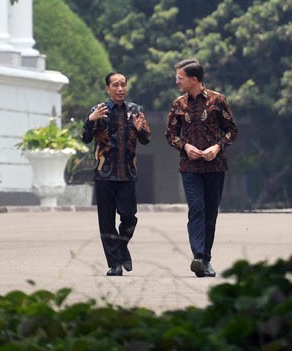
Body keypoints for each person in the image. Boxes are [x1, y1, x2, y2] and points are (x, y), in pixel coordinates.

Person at [165, 59, 238, 277]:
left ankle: (206, 259)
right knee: (196, 208)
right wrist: (185, 146)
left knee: (210, 212)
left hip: (215, 166)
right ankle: (198, 256)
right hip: (189, 167)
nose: (177, 82)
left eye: (180, 78)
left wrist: (217, 147)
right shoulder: (178, 104)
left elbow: (232, 131)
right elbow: (170, 134)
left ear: (193, 79)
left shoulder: (218, 101)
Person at [81, 71, 150, 276]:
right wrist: (90, 120)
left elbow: (146, 139)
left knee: (129, 217)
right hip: (105, 174)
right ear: (107, 89)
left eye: (123, 85)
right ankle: (114, 264)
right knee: (106, 221)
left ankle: (121, 247)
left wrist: (140, 130)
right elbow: (85, 138)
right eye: (115, 85)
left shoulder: (134, 110)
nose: (120, 89)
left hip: (127, 173)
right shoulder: (99, 110)